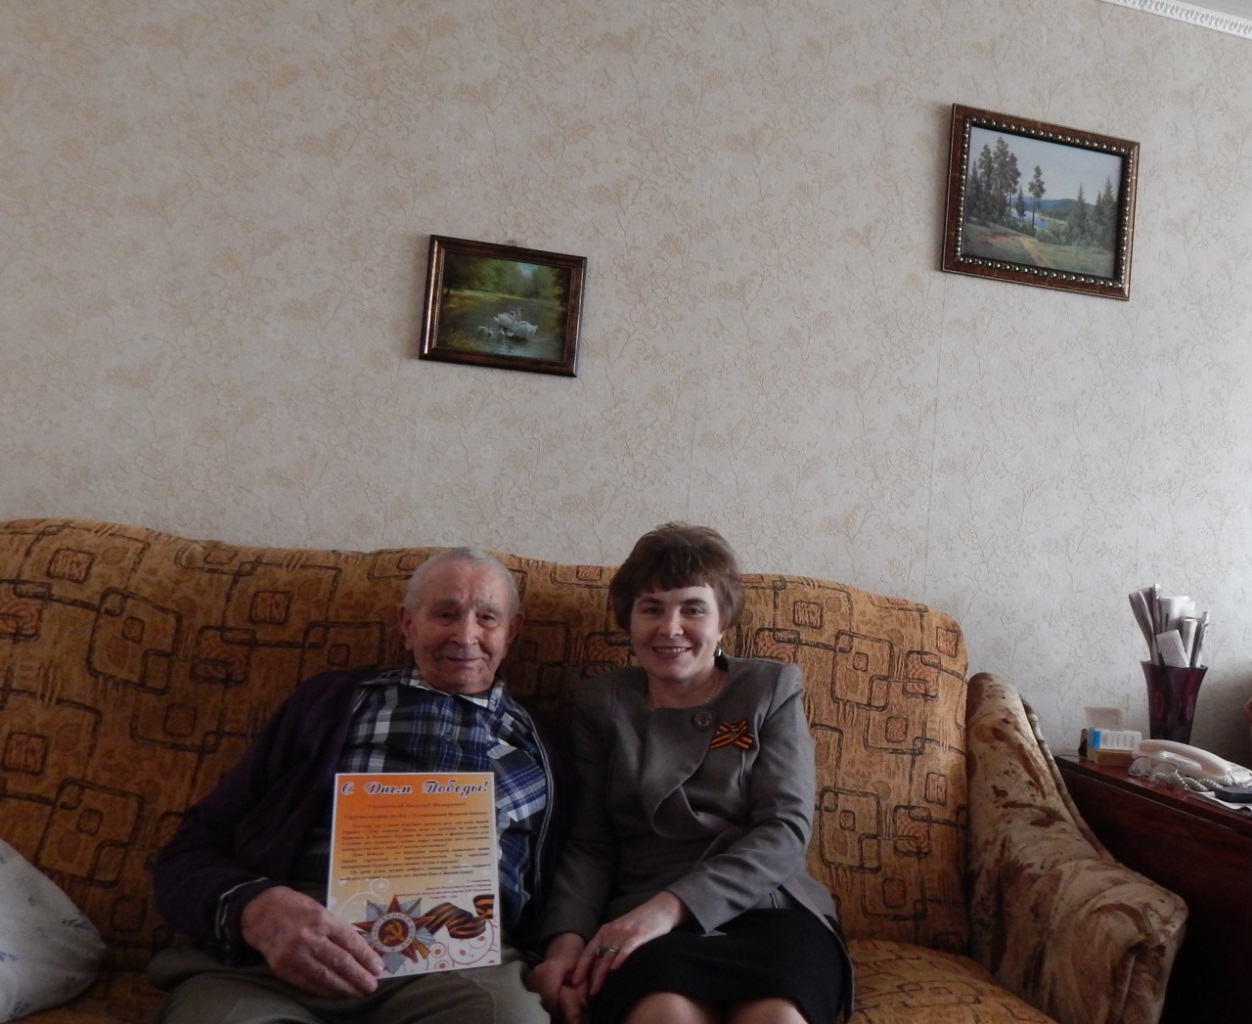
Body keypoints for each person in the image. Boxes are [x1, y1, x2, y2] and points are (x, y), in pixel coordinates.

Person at [148, 548, 569, 1024]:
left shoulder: (548, 746)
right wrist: (256, 910)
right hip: (289, 950)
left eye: (487, 618)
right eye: (445, 614)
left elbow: (583, 872)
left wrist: (562, 952)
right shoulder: (324, 705)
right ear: (407, 624)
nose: (465, 635)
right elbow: (190, 850)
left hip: (458, 965)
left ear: (512, 630)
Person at [532, 524, 853, 1024]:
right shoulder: (601, 704)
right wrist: (564, 946)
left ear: (723, 620)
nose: (670, 628)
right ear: (628, 620)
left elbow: (784, 829)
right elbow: (590, 844)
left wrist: (670, 907)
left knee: (777, 1018)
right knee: (666, 1016)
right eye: (651, 609)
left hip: (767, 905)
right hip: (641, 919)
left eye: (693, 609)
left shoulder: (769, 688)